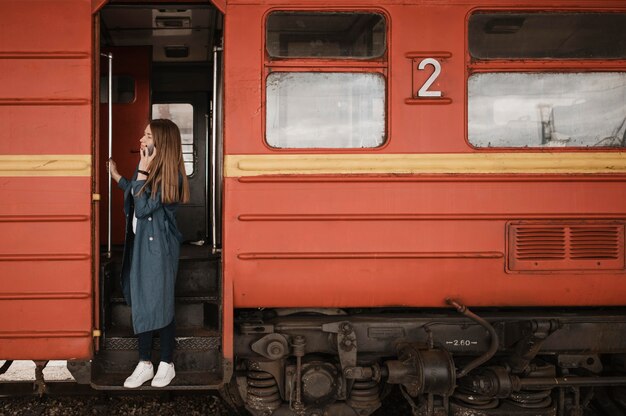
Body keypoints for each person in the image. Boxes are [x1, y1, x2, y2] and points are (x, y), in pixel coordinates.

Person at [108, 119, 189, 388]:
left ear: (160, 141)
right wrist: (120, 178)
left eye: (146, 136)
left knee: (160, 301)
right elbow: (135, 194)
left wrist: (140, 173)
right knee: (143, 299)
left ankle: (166, 363)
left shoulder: (171, 174)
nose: (141, 140)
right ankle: (145, 363)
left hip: (158, 247)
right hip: (141, 243)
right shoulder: (148, 167)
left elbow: (143, 209)